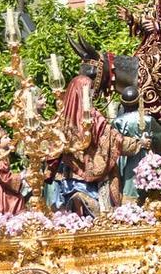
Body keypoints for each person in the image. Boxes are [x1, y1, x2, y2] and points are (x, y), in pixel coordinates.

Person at [49, 72, 148, 216]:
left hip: (67, 177)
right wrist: (138, 143)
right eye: (88, 92)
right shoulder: (92, 117)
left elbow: (51, 150)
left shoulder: (59, 119)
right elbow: (114, 140)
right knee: (101, 217)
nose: (91, 95)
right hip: (93, 180)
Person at [111, 86, 161, 202]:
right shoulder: (149, 120)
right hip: (146, 157)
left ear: (123, 103)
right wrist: (157, 149)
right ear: (139, 102)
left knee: (128, 187)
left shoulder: (118, 122)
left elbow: (114, 143)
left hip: (126, 160)